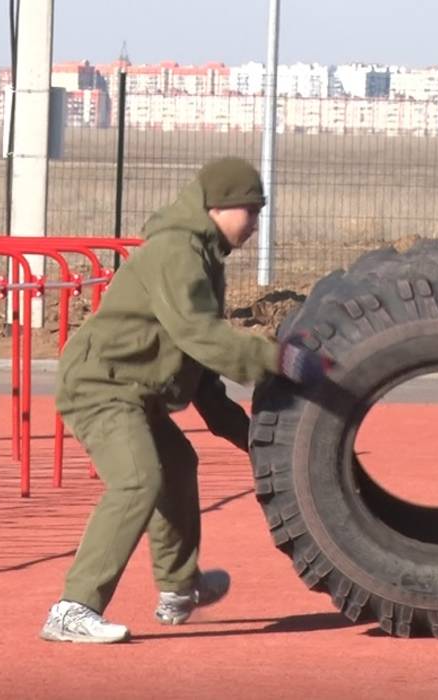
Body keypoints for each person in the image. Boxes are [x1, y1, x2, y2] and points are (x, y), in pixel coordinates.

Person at [40, 157, 331, 644]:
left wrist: (259, 441)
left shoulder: (203, 255)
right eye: (250, 213)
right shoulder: (178, 251)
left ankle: (179, 588)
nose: (256, 225)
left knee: (177, 464)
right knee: (138, 480)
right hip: (102, 387)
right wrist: (282, 360)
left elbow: (198, 372)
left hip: (138, 391)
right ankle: (73, 607)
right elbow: (201, 334)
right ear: (218, 207)